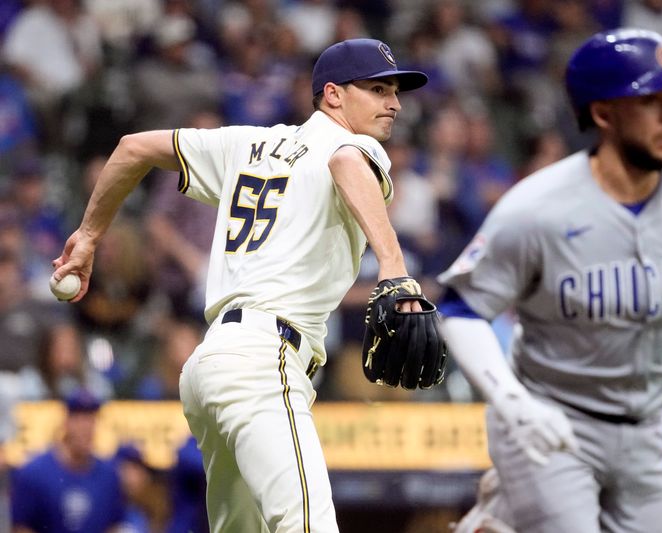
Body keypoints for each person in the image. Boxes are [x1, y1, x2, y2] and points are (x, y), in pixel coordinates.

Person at [52, 38, 432, 532]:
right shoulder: (356, 145)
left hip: (210, 366)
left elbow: (133, 148)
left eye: (395, 91)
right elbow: (343, 163)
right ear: (333, 95)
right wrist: (395, 267)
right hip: (263, 360)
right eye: (378, 89)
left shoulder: (246, 142)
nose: (394, 103)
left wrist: (88, 235)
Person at [439, 28, 662, 532]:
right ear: (603, 114)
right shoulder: (536, 207)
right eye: (650, 100)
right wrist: (510, 401)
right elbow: (460, 309)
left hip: (649, 431)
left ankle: (500, 521)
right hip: (552, 420)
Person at [10, 388, 125, 533]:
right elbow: (21, 527)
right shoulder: (33, 473)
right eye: (79, 419)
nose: (86, 427)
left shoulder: (109, 474)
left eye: (92, 418)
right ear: (66, 422)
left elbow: (113, 525)